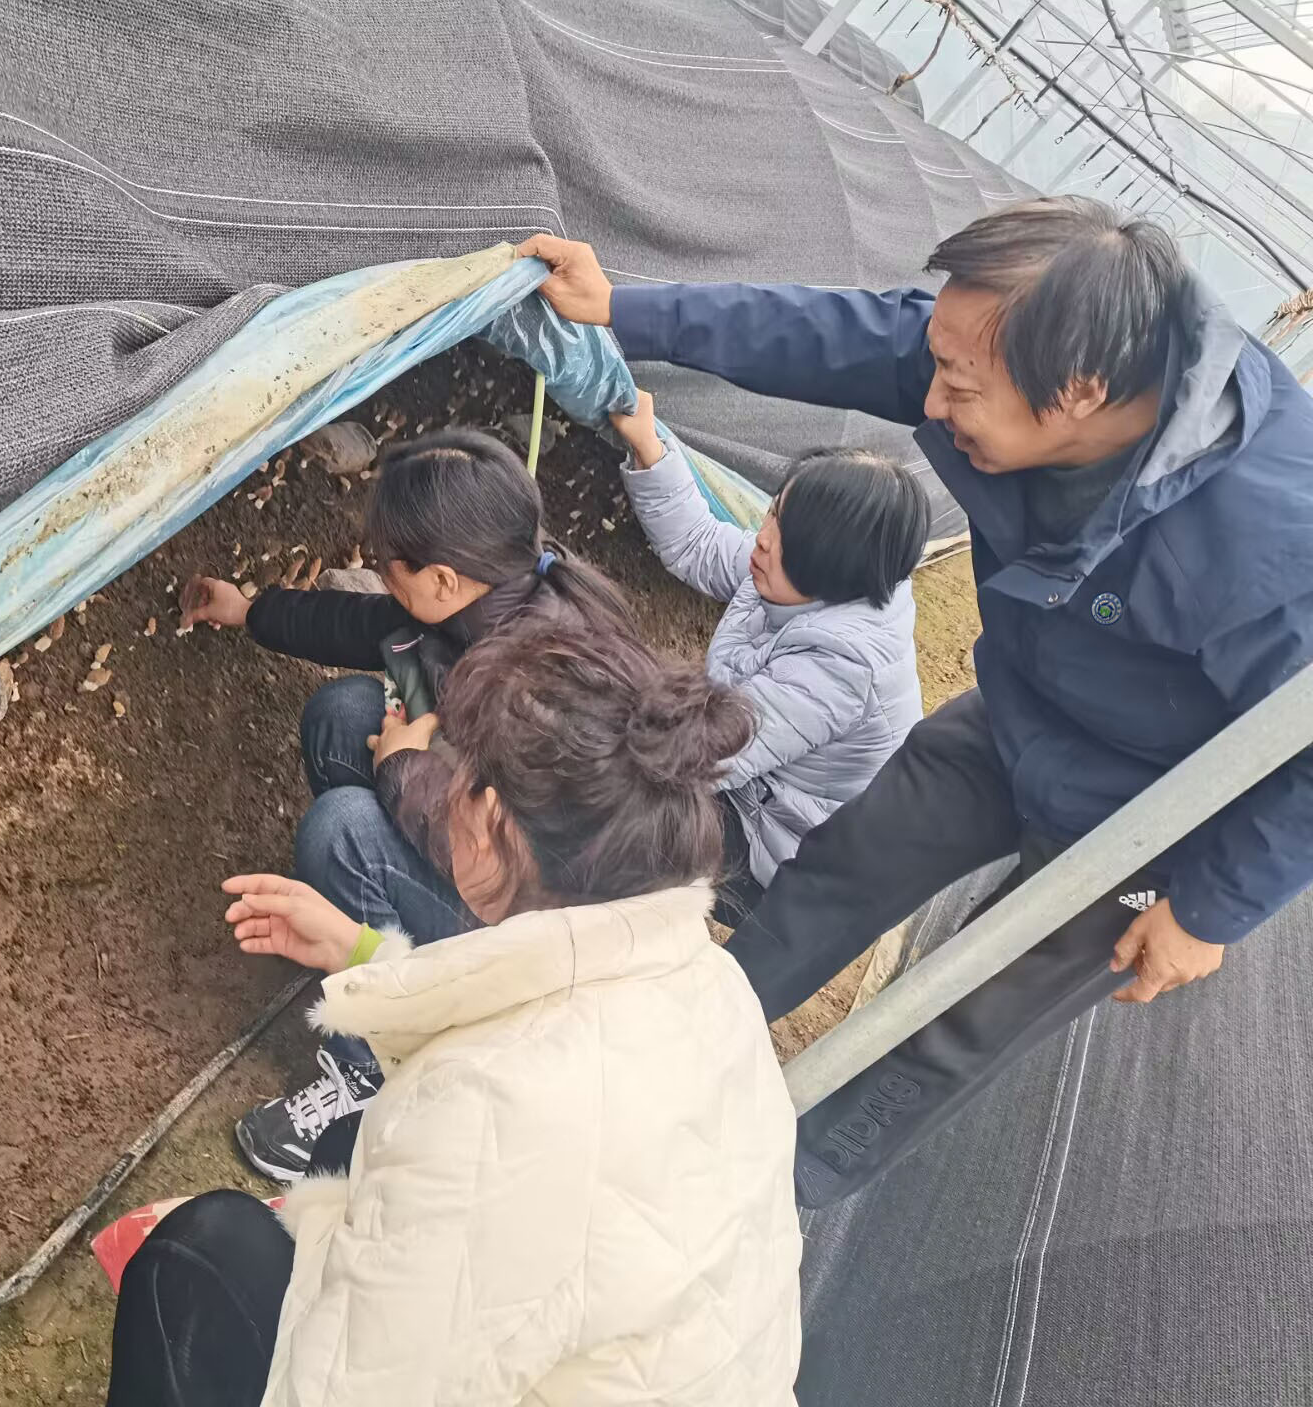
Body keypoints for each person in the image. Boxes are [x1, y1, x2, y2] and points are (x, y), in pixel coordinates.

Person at [518, 195, 1313, 1205]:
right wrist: (624, 309)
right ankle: (653, 1059)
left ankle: (767, 1194)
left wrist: (1210, 908)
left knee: (965, 1009)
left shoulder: (1270, 543)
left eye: (958, 386)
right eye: (938, 365)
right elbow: (834, 334)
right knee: (840, 869)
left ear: (1079, 393)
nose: (931, 402)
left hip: (1150, 824)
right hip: (1020, 717)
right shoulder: (1010, 351)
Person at [103, 624, 802, 1407]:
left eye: (453, 768)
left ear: (490, 814)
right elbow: (527, 1035)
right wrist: (362, 955)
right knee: (348, 1144)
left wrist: (311, 1253)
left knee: (198, 1254)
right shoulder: (711, 982)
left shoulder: (486, 1112)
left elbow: (352, 1390)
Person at [179, 428, 633, 1182]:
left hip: (531, 946)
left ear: (444, 579)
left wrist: (402, 768)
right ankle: (366, 936)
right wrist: (252, 611)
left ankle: (372, 1070)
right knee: (343, 714)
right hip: (488, 847)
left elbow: (497, 867)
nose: (384, 582)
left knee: (341, 833)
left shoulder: (539, 687)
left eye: (392, 570)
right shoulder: (500, 589)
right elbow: (372, 628)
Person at [607, 393, 928, 921]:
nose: (762, 540)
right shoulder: (811, 571)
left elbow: (699, 760)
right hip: (753, 781)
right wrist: (649, 446)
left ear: (833, 563)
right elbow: (699, 544)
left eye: (786, 536)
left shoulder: (840, 665)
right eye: (775, 512)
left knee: (628, 818)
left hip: (782, 852)